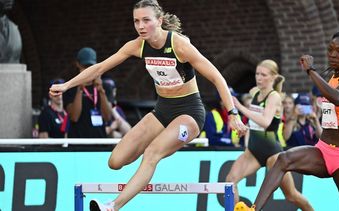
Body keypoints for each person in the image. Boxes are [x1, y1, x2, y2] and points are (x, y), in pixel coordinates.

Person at [49, 1, 247, 210]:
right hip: (162, 111)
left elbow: (218, 78)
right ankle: (160, 147)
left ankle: (112, 206)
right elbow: (99, 68)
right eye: (136, 21)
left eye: (146, 20)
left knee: (152, 153)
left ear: (159, 21)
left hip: (189, 114)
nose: (140, 26)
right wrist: (67, 85)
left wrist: (233, 113)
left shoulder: (179, 45)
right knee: (115, 161)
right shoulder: (137, 45)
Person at [246, 32, 339, 211]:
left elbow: (338, 98)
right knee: (284, 159)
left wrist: (311, 71)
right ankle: (254, 209)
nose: (333, 54)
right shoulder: (333, 76)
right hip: (323, 150)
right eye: (331, 50)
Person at [226, 59, 313, 210]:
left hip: (273, 153)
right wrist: (244, 128)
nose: (259, 78)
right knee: (230, 181)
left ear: (273, 77)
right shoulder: (254, 92)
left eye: (263, 75)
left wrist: (240, 107)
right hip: (253, 150)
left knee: (291, 195)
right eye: (257, 74)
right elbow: (254, 122)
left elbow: (266, 122)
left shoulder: (274, 97)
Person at [62, 47, 112, 138]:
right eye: (85, 66)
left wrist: (101, 91)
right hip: (78, 142)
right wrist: (80, 89)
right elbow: (74, 117)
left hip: (100, 141)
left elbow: (108, 117)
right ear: (77, 64)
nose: (88, 70)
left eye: (91, 66)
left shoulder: (104, 86)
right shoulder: (70, 86)